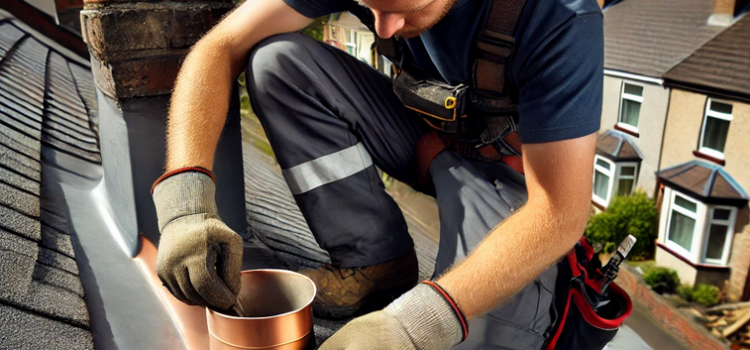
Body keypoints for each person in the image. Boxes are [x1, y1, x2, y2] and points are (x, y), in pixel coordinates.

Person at [149, 0, 604, 347]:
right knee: (276, 61)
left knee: (473, 333)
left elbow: (559, 211)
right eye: (370, 8)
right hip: (429, 141)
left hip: (517, 187)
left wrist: (414, 324)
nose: (383, 29)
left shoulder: (559, 16)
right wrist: (184, 204)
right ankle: (375, 264)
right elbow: (221, 45)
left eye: (404, 9)